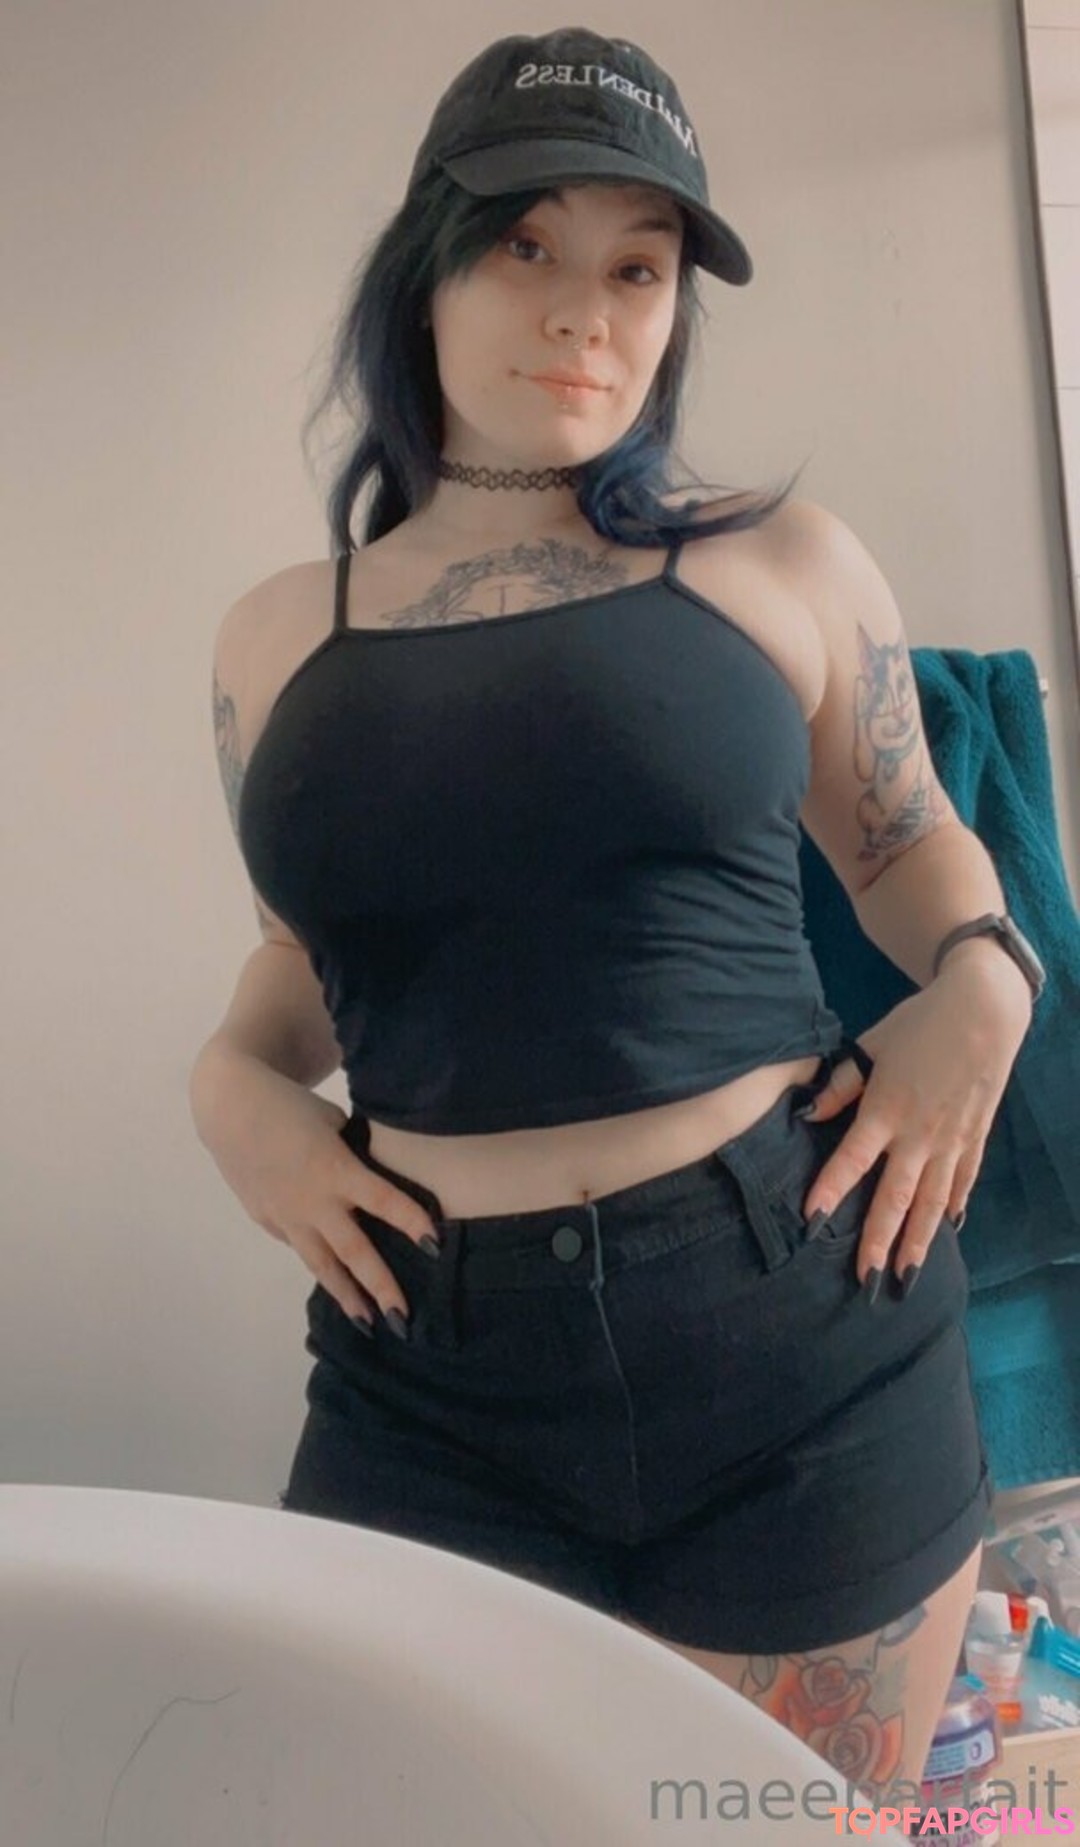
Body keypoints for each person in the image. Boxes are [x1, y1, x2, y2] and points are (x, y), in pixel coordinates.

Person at [191, 27, 1037, 1819]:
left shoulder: (779, 563)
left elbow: (913, 849)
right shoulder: (276, 639)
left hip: (796, 1335)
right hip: (430, 1377)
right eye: (528, 246)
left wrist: (990, 982)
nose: (585, 310)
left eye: (638, 268)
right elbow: (303, 962)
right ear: (425, 268)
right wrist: (232, 1093)